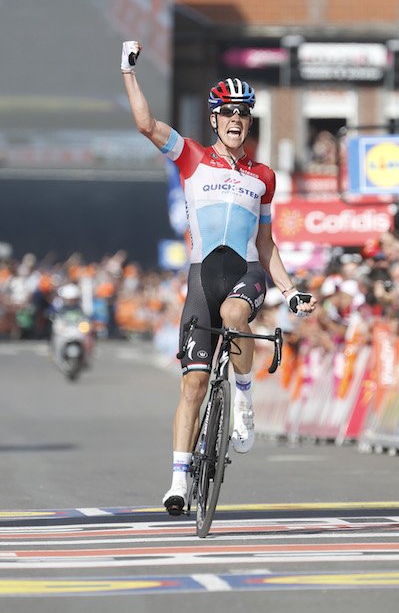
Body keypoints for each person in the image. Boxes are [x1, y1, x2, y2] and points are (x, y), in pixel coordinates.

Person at [121, 40, 318, 515]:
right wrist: (127, 71)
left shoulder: (264, 176)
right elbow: (146, 125)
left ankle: (245, 401)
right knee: (191, 385)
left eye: (244, 115)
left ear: (251, 122)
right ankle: (178, 481)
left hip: (245, 271)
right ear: (214, 119)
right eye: (228, 113)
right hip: (200, 277)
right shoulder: (190, 156)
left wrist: (290, 292)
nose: (236, 121)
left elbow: (267, 244)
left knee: (236, 314)